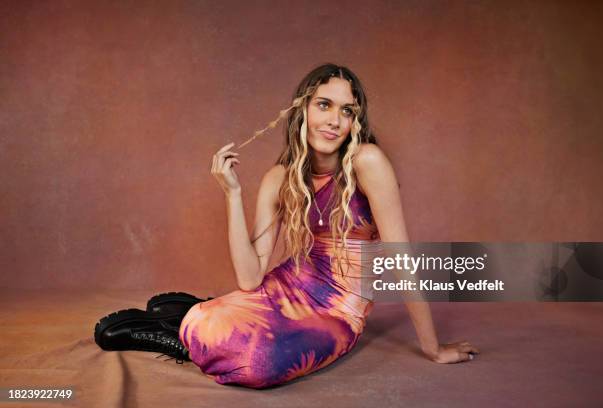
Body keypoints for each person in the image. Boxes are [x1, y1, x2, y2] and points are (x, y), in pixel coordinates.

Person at [94, 63, 479, 389]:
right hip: (287, 286)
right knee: (244, 325)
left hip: (339, 312)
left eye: (347, 111)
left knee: (262, 363)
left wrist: (433, 347)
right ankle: (187, 325)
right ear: (303, 110)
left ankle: (190, 320)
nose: (334, 121)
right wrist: (232, 195)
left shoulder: (367, 162)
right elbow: (249, 278)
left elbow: (400, 257)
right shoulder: (280, 178)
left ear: (356, 120)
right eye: (324, 105)